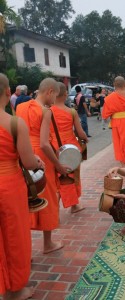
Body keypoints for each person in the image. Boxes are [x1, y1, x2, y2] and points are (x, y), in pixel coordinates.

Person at [0, 74, 45, 299]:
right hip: (9, 185)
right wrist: (38, 161)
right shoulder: (14, 123)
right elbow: (28, 162)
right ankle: (14, 290)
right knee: (14, 236)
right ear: (9, 92)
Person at [16, 78, 68, 254]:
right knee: (48, 199)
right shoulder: (45, 112)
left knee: (27, 200)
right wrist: (59, 166)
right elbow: (45, 144)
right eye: (56, 96)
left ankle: (27, 251)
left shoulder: (20, 107)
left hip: (24, 156)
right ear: (50, 91)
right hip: (41, 158)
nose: (56, 100)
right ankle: (47, 244)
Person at [49, 83, 88, 212]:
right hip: (70, 148)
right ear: (66, 95)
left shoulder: (47, 111)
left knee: (58, 177)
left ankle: (59, 206)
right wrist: (85, 139)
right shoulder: (71, 112)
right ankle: (73, 205)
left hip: (53, 147)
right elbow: (80, 132)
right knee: (69, 177)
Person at [102, 76, 125, 166]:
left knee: (118, 143)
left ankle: (123, 162)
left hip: (115, 122)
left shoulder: (109, 98)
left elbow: (105, 115)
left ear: (114, 85)